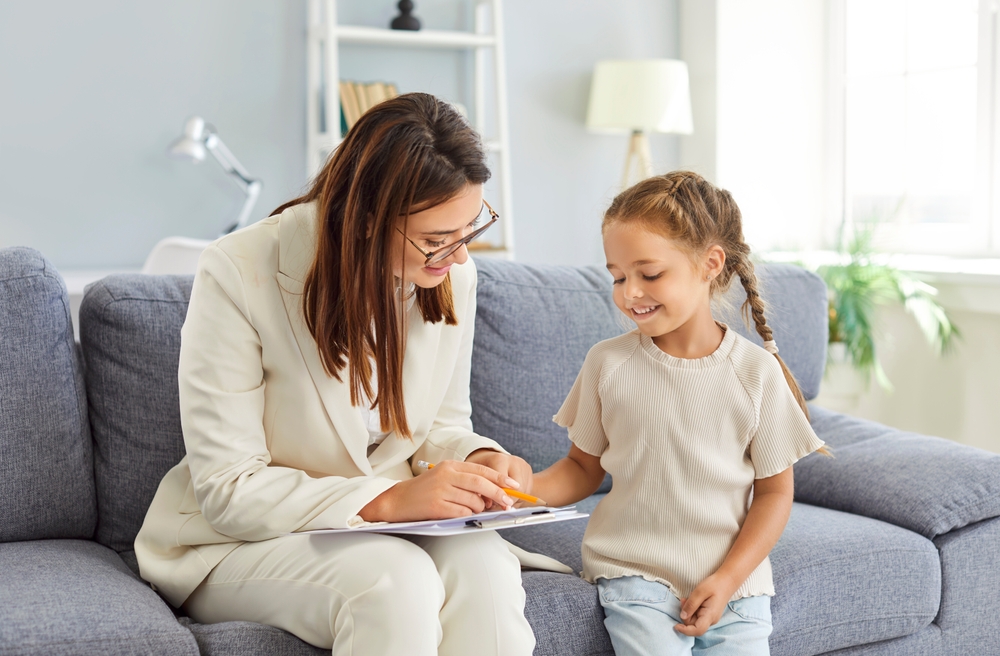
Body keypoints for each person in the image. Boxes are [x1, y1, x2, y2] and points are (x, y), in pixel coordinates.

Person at [134, 93, 539, 656]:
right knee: (391, 581)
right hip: (239, 539)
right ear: (367, 219)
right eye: (435, 239)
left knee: (486, 566)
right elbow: (230, 489)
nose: (459, 256)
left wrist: (476, 460)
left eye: (470, 228)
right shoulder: (239, 269)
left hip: (387, 525)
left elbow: (438, 428)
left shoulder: (450, 277)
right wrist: (384, 503)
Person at [531, 171, 827, 656]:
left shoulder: (756, 373)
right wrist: (516, 487)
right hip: (636, 574)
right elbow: (581, 468)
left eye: (649, 274)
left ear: (710, 264)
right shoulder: (608, 363)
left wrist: (729, 579)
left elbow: (775, 493)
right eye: (618, 276)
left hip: (737, 587)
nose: (630, 293)